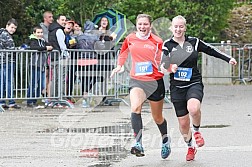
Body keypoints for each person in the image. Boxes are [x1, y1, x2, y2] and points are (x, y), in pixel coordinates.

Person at [160, 15, 237, 161]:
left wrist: (228, 58)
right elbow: (162, 64)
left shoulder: (194, 42)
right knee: (183, 124)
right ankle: (190, 147)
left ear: (185, 27)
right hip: (177, 88)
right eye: (175, 26)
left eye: (181, 26)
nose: (178, 29)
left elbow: (211, 50)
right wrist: (171, 67)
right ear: (171, 28)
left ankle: (196, 131)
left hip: (193, 82)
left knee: (194, 108)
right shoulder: (168, 44)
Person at [110, 14, 171, 159]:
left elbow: (165, 58)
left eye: (145, 24)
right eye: (140, 24)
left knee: (157, 117)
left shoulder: (157, 41)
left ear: (150, 25)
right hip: (137, 80)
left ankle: (165, 140)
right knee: (135, 107)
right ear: (136, 25)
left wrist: (165, 66)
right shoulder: (130, 38)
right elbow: (124, 51)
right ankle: (138, 143)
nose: (142, 27)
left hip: (155, 81)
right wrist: (119, 65)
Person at [27, 26, 53, 108]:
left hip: (42, 65)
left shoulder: (42, 40)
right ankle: (30, 101)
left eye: (41, 32)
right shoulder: (32, 40)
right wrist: (45, 48)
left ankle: (35, 100)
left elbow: (50, 46)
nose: (40, 34)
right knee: (33, 84)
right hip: (35, 65)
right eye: (38, 32)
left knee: (41, 85)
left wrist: (49, 47)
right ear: (34, 33)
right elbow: (34, 48)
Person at [0, 18, 21, 109]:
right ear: (7, 26)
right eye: (12, 27)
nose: (13, 30)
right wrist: (20, 49)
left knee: (3, 81)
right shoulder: (6, 35)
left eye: (15, 28)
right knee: (8, 81)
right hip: (7, 61)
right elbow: (11, 49)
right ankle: (10, 101)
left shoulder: (3, 34)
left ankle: (3, 101)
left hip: (4, 60)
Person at [48, 14, 69, 102]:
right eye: (62, 20)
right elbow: (62, 45)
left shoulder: (51, 30)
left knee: (55, 78)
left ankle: (54, 98)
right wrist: (67, 55)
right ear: (58, 20)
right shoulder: (59, 31)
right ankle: (61, 97)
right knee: (61, 78)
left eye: (65, 20)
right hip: (60, 57)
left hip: (53, 57)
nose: (64, 22)